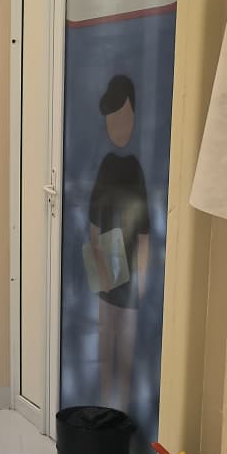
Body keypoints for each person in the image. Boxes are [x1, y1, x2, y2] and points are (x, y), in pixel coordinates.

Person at [87, 74, 150, 412]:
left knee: (124, 350)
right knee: (106, 346)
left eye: (124, 117)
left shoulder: (135, 169)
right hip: (105, 265)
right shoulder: (106, 166)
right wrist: (102, 272)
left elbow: (144, 234)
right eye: (113, 119)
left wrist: (141, 279)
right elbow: (93, 228)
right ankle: (103, 409)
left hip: (128, 270)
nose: (119, 127)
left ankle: (121, 411)